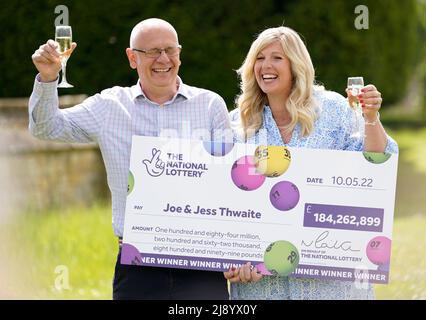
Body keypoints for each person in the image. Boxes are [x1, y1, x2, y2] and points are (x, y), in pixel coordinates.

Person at [29, 18, 231, 300]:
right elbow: (46, 127)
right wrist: (49, 78)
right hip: (138, 264)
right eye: (151, 51)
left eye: (170, 50)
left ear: (180, 54)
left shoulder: (210, 105)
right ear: (132, 57)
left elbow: (229, 184)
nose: (163, 59)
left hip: (200, 261)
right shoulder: (109, 106)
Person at [224, 26, 398, 300]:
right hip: (263, 287)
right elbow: (224, 202)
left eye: (277, 58)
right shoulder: (237, 122)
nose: (266, 66)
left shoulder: (334, 109)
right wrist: (232, 262)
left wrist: (371, 117)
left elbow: (374, 164)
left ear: (296, 64)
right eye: (259, 58)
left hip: (330, 285)